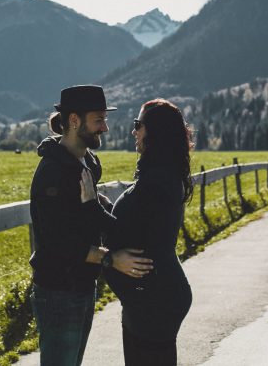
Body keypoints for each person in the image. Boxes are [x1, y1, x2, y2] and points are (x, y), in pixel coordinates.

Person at [29, 84, 154, 366]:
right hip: (58, 291)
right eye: (99, 120)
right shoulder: (53, 173)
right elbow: (57, 244)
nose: (105, 128)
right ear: (74, 121)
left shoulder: (86, 162)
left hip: (82, 285)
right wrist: (110, 258)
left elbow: (85, 220)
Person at [81, 98, 194, 366]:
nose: (134, 131)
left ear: (155, 131)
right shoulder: (160, 174)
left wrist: (89, 205)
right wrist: (102, 204)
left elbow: (123, 233)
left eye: (138, 125)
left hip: (155, 299)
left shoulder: (158, 181)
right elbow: (134, 228)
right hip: (148, 298)